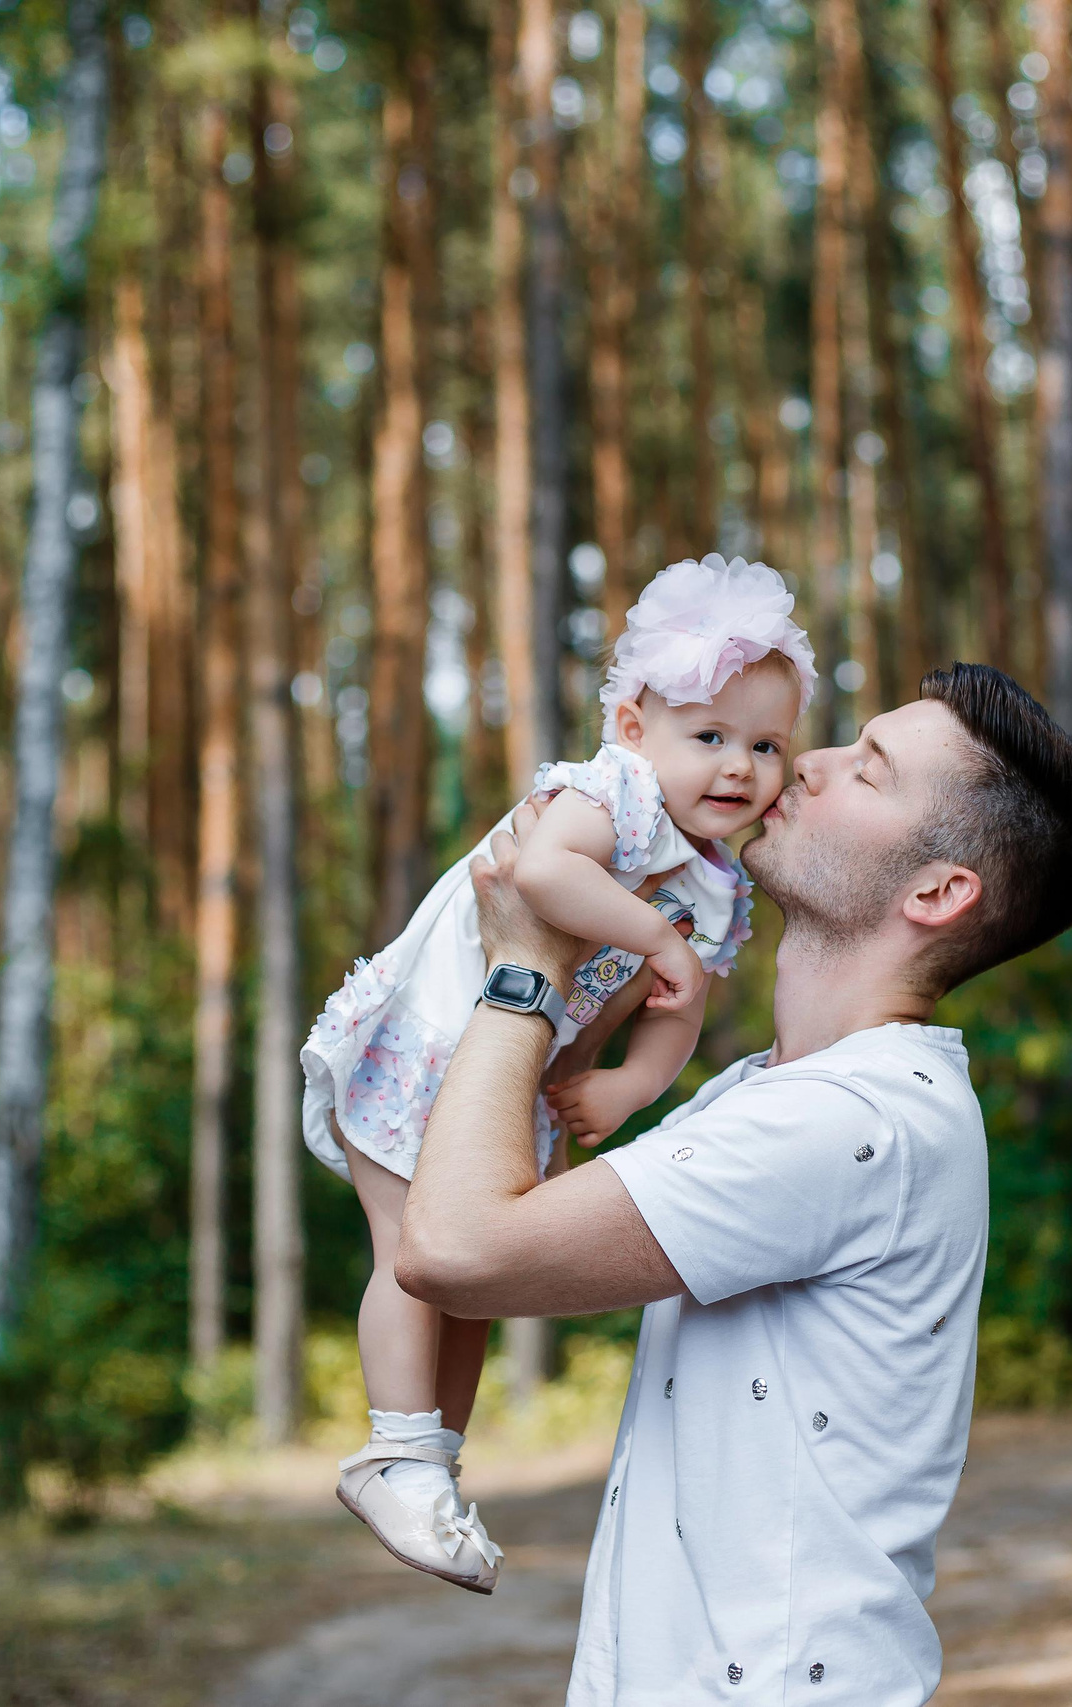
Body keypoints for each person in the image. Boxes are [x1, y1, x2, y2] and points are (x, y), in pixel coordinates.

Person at [395, 661, 1072, 1705]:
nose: (808, 763)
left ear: (936, 891)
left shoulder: (845, 1122)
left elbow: (457, 1251)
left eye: (867, 772)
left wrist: (526, 964)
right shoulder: (775, 1094)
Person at [300, 554, 818, 1593]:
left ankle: (433, 1464)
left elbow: (686, 1011)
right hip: (431, 1038)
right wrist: (655, 942)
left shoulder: (716, 883)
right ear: (633, 728)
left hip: (511, 1080)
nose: (739, 768)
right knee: (409, 1250)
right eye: (708, 737)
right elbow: (543, 873)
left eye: (765, 745)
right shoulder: (608, 796)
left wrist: (632, 1085)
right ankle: (393, 1449)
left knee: (472, 1281)